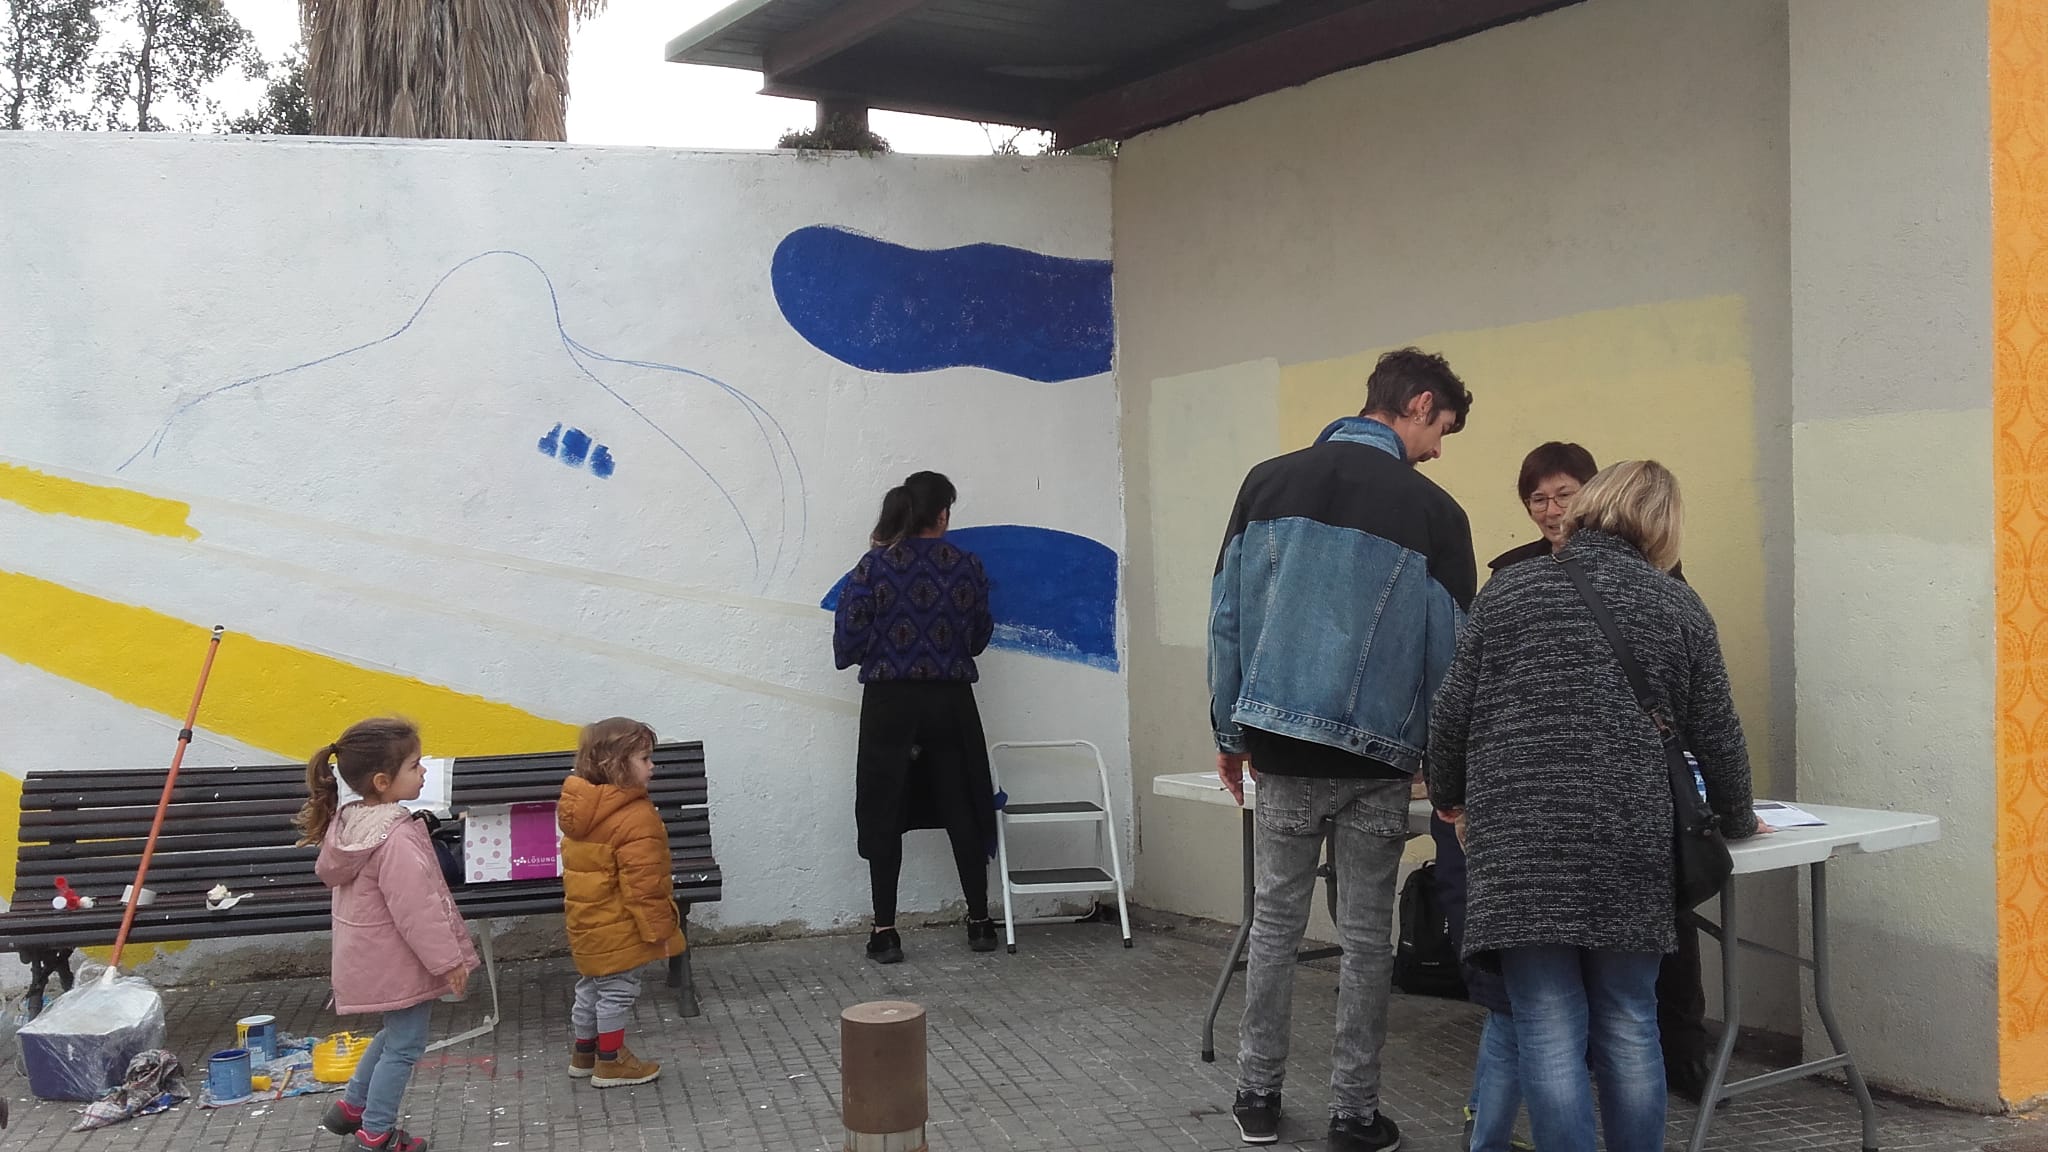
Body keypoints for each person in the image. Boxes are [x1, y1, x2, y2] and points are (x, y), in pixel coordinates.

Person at [1427, 460, 1762, 1152]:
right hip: (1628, 840)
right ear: (1662, 525)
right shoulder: (1676, 604)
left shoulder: (1509, 592)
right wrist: (1736, 816)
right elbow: (1718, 733)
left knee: (1547, 1022)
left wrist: (1455, 803)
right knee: (1629, 1018)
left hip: (1518, 842)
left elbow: (1449, 715)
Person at [1211, 347, 1477, 1152]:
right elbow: (1451, 655)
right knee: (1365, 938)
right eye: (1442, 431)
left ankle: (1256, 1097)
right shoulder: (1437, 513)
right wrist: (1444, 760)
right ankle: (1354, 1114)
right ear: (1419, 403)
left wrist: (1229, 731)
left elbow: (1228, 617)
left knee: (1274, 926)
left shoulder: (1265, 482)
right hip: (1380, 764)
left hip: (1281, 749)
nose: (1437, 450)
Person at [834, 470, 1000, 963]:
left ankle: (885, 931)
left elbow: (848, 639)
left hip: (890, 703)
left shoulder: (874, 567)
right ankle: (980, 922)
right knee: (962, 805)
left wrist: (883, 652)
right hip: (950, 702)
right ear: (942, 513)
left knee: (885, 808)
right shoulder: (966, 565)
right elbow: (978, 636)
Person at [301, 718, 479, 1152]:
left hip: (374, 958)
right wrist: (449, 962)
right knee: (405, 1045)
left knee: (394, 1033)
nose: (423, 772)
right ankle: (377, 1132)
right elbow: (417, 910)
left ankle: (352, 1106)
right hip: (399, 960)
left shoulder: (352, 823)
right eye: (416, 765)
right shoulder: (394, 837)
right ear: (383, 781)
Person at [559, 716, 689, 1088]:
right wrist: (661, 930)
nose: (652, 767)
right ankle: (611, 1060)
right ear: (616, 766)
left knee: (589, 987)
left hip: (588, 923)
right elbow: (643, 885)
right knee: (618, 992)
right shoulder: (634, 817)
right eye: (645, 759)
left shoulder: (580, 811)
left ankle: (584, 1053)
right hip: (622, 925)